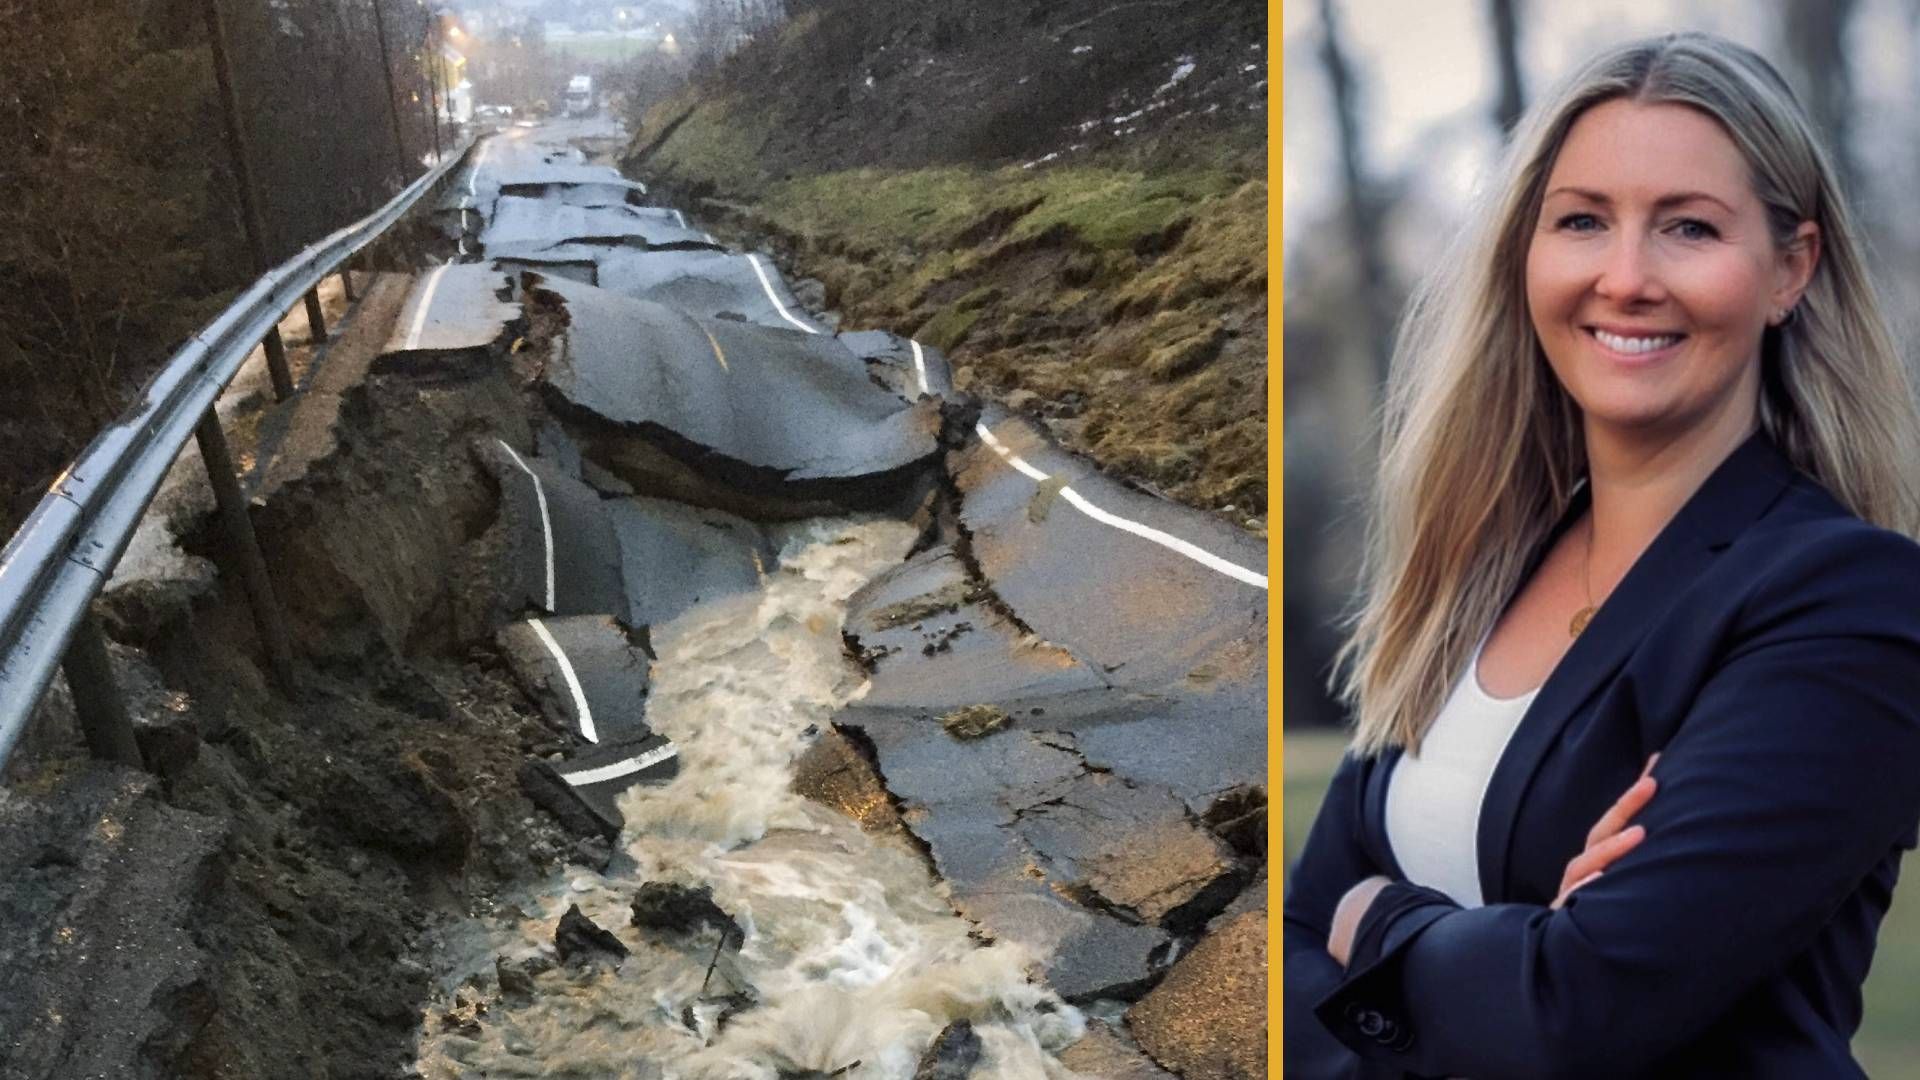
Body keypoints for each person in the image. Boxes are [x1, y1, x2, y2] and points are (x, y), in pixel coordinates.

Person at [1284, 31, 1920, 1079]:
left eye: (1688, 228)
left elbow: (1573, 1017)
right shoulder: (1474, 567)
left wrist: (1380, 916)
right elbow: (1293, 944)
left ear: (1789, 269)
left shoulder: (1845, 601)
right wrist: (1496, 950)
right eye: (1582, 221)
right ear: (1526, 255)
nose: (1625, 279)